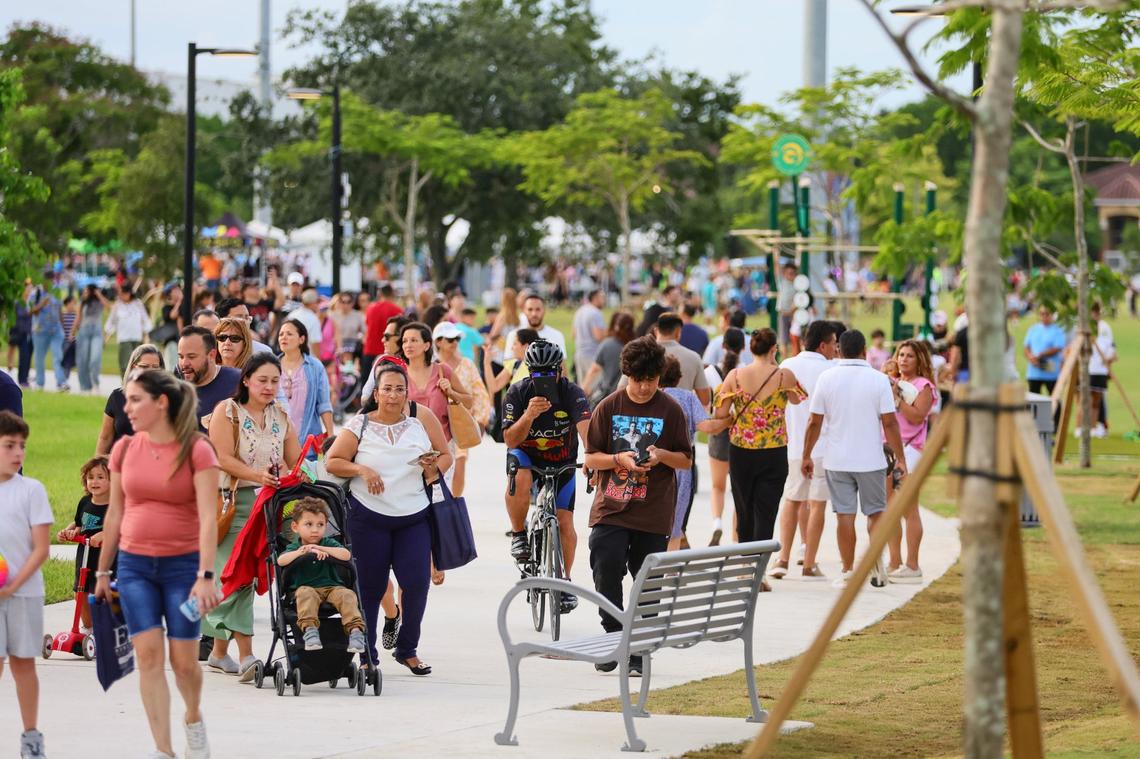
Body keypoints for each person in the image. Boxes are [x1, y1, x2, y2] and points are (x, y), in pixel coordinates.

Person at [93, 370, 222, 759]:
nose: (126, 408)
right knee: (148, 656)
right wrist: (102, 571)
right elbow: (115, 514)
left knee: (184, 664)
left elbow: (206, 517)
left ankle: (193, 717)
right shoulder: (124, 450)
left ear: (160, 403)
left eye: (135, 400)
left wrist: (205, 576)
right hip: (133, 568)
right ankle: (163, 750)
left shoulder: (197, 450)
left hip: (183, 570)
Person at [325, 360, 452, 676]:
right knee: (369, 588)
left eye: (400, 389)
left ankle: (407, 649)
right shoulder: (360, 425)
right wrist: (362, 469)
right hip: (369, 518)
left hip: (414, 517)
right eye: (387, 390)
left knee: (417, 584)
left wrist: (433, 468)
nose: (394, 396)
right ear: (376, 394)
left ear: (408, 394)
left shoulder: (418, 424)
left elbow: (446, 454)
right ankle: (367, 656)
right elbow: (333, 461)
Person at [583, 337, 692, 675]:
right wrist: (618, 458)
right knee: (605, 563)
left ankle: (638, 649)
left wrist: (660, 456)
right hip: (611, 507)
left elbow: (686, 460)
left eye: (651, 380)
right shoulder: (608, 406)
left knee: (648, 582)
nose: (644, 387)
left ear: (660, 377)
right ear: (627, 374)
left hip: (653, 510)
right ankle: (614, 637)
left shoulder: (670, 410)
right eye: (637, 379)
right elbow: (590, 458)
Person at [801, 329, 906, 589]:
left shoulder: (827, 378)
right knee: (875, 514)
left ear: (839, 350)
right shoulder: (878, 380)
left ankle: (848, 570)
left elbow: (814, 421)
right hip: (871, 459)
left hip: (837, 459)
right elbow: (890, 422)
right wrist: (901, 457)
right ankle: (876, 561)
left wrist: (806, 455)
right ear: (864, 350)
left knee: (844, 516)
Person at [502, 340, 591, 610]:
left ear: (560, 370)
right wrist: (528, 415)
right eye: (537, 373)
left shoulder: (572, 393)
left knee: (565, 524)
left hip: (562, 462)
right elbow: (510, 440)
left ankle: (563, 582)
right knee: (522, 475)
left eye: (549, 373)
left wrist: (592, 458)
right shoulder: (517, 393)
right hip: (527, 457)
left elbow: (587, 431)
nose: (544, 379)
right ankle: (519, 534)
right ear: (529, 372)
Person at [714, 328, 804, 553]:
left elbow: (720, 413)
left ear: (751, 348)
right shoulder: (784, 375)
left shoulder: (734, 376)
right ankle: (758, 569)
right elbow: (796, 400)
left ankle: (744, 562)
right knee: (767, 510)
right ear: (774, 349)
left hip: (741, 449)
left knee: (744, 508)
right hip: (774, 449)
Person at [769, 320, 839, 581]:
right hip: (824, 447)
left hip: (793, 444)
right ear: (823, 344)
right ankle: (809, 561)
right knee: (817, 504)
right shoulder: (831, 370)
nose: (835, 349)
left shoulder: (787, 366)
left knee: (792, 499)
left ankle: (783, 558)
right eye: (833, 343)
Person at [0, 411, 52, 759]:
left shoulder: (31, 490)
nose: (19, 453)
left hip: (25, 593)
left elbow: (42, 549)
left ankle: (31, 737)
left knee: (22, 664)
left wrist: (12, 584)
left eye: (22, 446)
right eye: (9, 446)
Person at [277, 497, 367, 653]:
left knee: (347, 594)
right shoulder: (295, 546)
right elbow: (281, 560)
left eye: (320, 525)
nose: (315, 530)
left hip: (332, 587)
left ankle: (355, 631)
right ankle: (310, 630)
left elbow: (346, 554)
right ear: (295, 527)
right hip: (305, 588)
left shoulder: (327, 543)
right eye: (309, 524)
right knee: (306, 594)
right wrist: (302, 552)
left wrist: (323, 550)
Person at [659, 356, 725, 551]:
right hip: (681, 467)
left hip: (654, 464)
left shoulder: (653, 396)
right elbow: (707, 426)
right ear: (679, 376)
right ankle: (669, 569)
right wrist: (728, 421)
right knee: (676, 523)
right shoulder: (688, 397)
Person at [885, 339, 937, 583]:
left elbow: (917, 417)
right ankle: (894, 561)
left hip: (910, 451)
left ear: (920, 360)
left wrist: (898, 399)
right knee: (889, 508)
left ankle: (912, 563)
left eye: (910, 356)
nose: (904, 359)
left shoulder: (923, 386)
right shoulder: (894, 382)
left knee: (908, 507)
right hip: (888, 449)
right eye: (901, 355)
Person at [433, 322, 491, 497]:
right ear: (438, 342)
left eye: (457, 338)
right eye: (450, 339)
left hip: (460, 423)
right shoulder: (431, 366)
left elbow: (480, 393)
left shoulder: (467, 364)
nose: (454, 342)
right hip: (435, 424)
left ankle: (454, 502)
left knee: (460, 461)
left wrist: (481, 422)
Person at [399, 322, 474, 457]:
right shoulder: (398, 375)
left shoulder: (442, 370)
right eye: (405, 341)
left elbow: (469, 402)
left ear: (427, 345)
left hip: (442, 449)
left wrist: (451, 392)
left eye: (414, 340)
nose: (408, 345)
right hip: (408, 448)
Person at [56, 455, 111, 632]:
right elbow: (79, 525)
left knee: (101, 593)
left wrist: (103, 534)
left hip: (106, 556)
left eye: (100, 477)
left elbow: (122, 526)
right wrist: (69, 531)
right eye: (90, 477)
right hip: (85, 553)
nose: (94, 481)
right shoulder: (85, 502)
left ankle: (109, 628)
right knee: (80, 593)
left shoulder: (115, 505)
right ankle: (89, 630)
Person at [705, 326, 745, 546]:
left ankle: (717, 521)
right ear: (744, 347)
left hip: (718, 433)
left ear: (722, 346)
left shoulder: (710, 372)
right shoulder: (745, 372)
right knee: (738, 490)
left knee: (717, 486)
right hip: (740, 435)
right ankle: (736, 535)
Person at [96, 344, 165, 456]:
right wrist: (97, 465)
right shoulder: (117, 396)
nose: (150, 372)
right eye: (144, 366)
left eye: (155, 367)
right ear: (134, 367)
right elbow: (105, 437)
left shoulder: (166, 399)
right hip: (118, 467)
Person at [276, 319, 334, 449]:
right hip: (276, 441)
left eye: (289, 334)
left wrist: (330, 435)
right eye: (281, 334)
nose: (283, 337)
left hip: (308, 443)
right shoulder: (271, 366)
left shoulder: (315, 367)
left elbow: (324, 404)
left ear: (301, 339)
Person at [177, 326, 241, 433]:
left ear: (211, 355)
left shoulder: (239, 381)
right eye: (181, 357)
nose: (184, 363)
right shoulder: (176, 392)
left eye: (191, 357)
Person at [581, 312, 635, 408]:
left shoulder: (607, 344)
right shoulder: (635, 346)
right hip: (629, 395)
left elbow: (594, 370)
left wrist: (584, 387)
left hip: (608, 395)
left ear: (616, 326)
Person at [104, 286, 153, 375]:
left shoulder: (138, 304)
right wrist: (107, 336)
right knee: (125, 364)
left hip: (137, 338)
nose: (121, 296)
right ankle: (126, 385)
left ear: (129, 293)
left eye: (123, 294)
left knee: (138, 363)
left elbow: (145, 319)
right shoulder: (117, 305)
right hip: (124, 338)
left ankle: (137, 384)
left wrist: (147, 334)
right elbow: (111, 321)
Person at [504, 294, 566, 362]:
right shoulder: (514, 336)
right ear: (524, 311)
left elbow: (563, 369)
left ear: (544, 310)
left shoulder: (556, 335)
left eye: (538, 309)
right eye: (530, 309)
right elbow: (508, 369)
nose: (534, 314)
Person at [29, 281, 67, 392]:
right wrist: (42, 303)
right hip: (40, 331)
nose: (50, 281)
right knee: (39, 358)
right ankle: (40, 383)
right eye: (47, 278)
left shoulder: (56, 291)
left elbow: (60, 311)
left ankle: (61, 382)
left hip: (56, 331)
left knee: (58, 356)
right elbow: (31, 311)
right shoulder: (35, 293)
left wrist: (64, 328)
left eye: (51, 277)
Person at [74, 284, 110, 394]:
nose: (85, 293)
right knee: (83, 360)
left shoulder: (99, 302)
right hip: (83, 332)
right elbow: (78, 318)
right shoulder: (82, 303)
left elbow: (109, 307)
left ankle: (96, 384)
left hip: (96, 333)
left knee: (95, 359)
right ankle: (85, 387)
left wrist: (98, 294)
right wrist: (72, 333)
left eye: (87, 291)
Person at [1087, 302, 1116, 438]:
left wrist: (1108, 360)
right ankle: (1090, 426)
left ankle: (1100, 425)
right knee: (1088, 398)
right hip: (1088, 368)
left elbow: (1111, 347)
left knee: (1098, 398)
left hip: (1100, 369)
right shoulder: (1086, 327)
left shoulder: (1105, 327)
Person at [1024, 306, 1067, 395]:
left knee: (1054, 400)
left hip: (1050, 370)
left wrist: (1040, 354)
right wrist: (1031, 357)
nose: (1044, 317)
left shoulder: (1057, 330)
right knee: (1034, 401)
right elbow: (1026, 347)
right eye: (1042, 314)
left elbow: (1058, 348)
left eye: (1047, 314)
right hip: (1034, 372)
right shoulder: (1033, 329)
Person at [484, 328, 539, 395]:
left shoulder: (541, 368)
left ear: (525, 346)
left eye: (515, 344)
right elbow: (494, 387)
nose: (512, 348)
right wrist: (487, 363)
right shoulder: (514, 364)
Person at [572, 289, 607, 383]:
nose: (604, 300)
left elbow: (573, 334)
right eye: (602, 297)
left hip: (579, 355)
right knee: (595, 390)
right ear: (595, 298)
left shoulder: (579, 311)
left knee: (582, 390)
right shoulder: (596, 313)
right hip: (592, 356)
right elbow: (598, 336)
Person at [288, 289, 324, 358]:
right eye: (317, 302)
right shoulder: (313, 319)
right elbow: (315, 343)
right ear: (312, 303)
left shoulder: (292, 315)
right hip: (307, 360)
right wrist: (319, 363)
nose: (318, 305)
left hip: (291, 357)